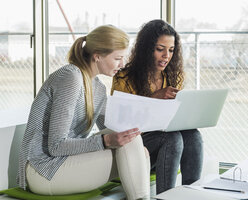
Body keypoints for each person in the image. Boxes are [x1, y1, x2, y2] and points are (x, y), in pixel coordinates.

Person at [17, 25, 150, 200]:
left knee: (137, 147)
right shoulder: (70, 78)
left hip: (65, 162)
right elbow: (56, 146)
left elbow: (113, 129)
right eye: (118, 58)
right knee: (135, 151)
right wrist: (106, 141)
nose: (122, 64)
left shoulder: (98, 88)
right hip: (43, 170)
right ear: (97, 56)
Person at [111, 19, 203, 194]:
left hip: (169, 146)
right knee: (172, 138)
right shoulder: (124, 78)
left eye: (171, 50)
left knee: (193, 135)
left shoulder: (174, 76)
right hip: (138, 144)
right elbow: (121, 123)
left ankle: (192, 194)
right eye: (160, 49)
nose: (166, 56)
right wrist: (154, 98)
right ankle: (164, 196)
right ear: (146, 49)